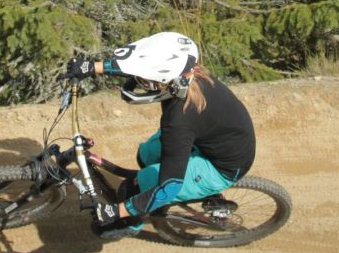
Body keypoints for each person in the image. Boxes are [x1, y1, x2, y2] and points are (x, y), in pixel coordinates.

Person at [64, 31, 256, 241]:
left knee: (131, 188)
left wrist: (115, 212)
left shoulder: (178, 120)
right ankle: (172, 191)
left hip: (222, 167)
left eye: (145, 80)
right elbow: (139, 62)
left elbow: (169, 187)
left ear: (164, 80)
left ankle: (132, 223)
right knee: (145, 155)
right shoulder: (189, 73)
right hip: (216, 140)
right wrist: (93, 67)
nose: (139, 81)